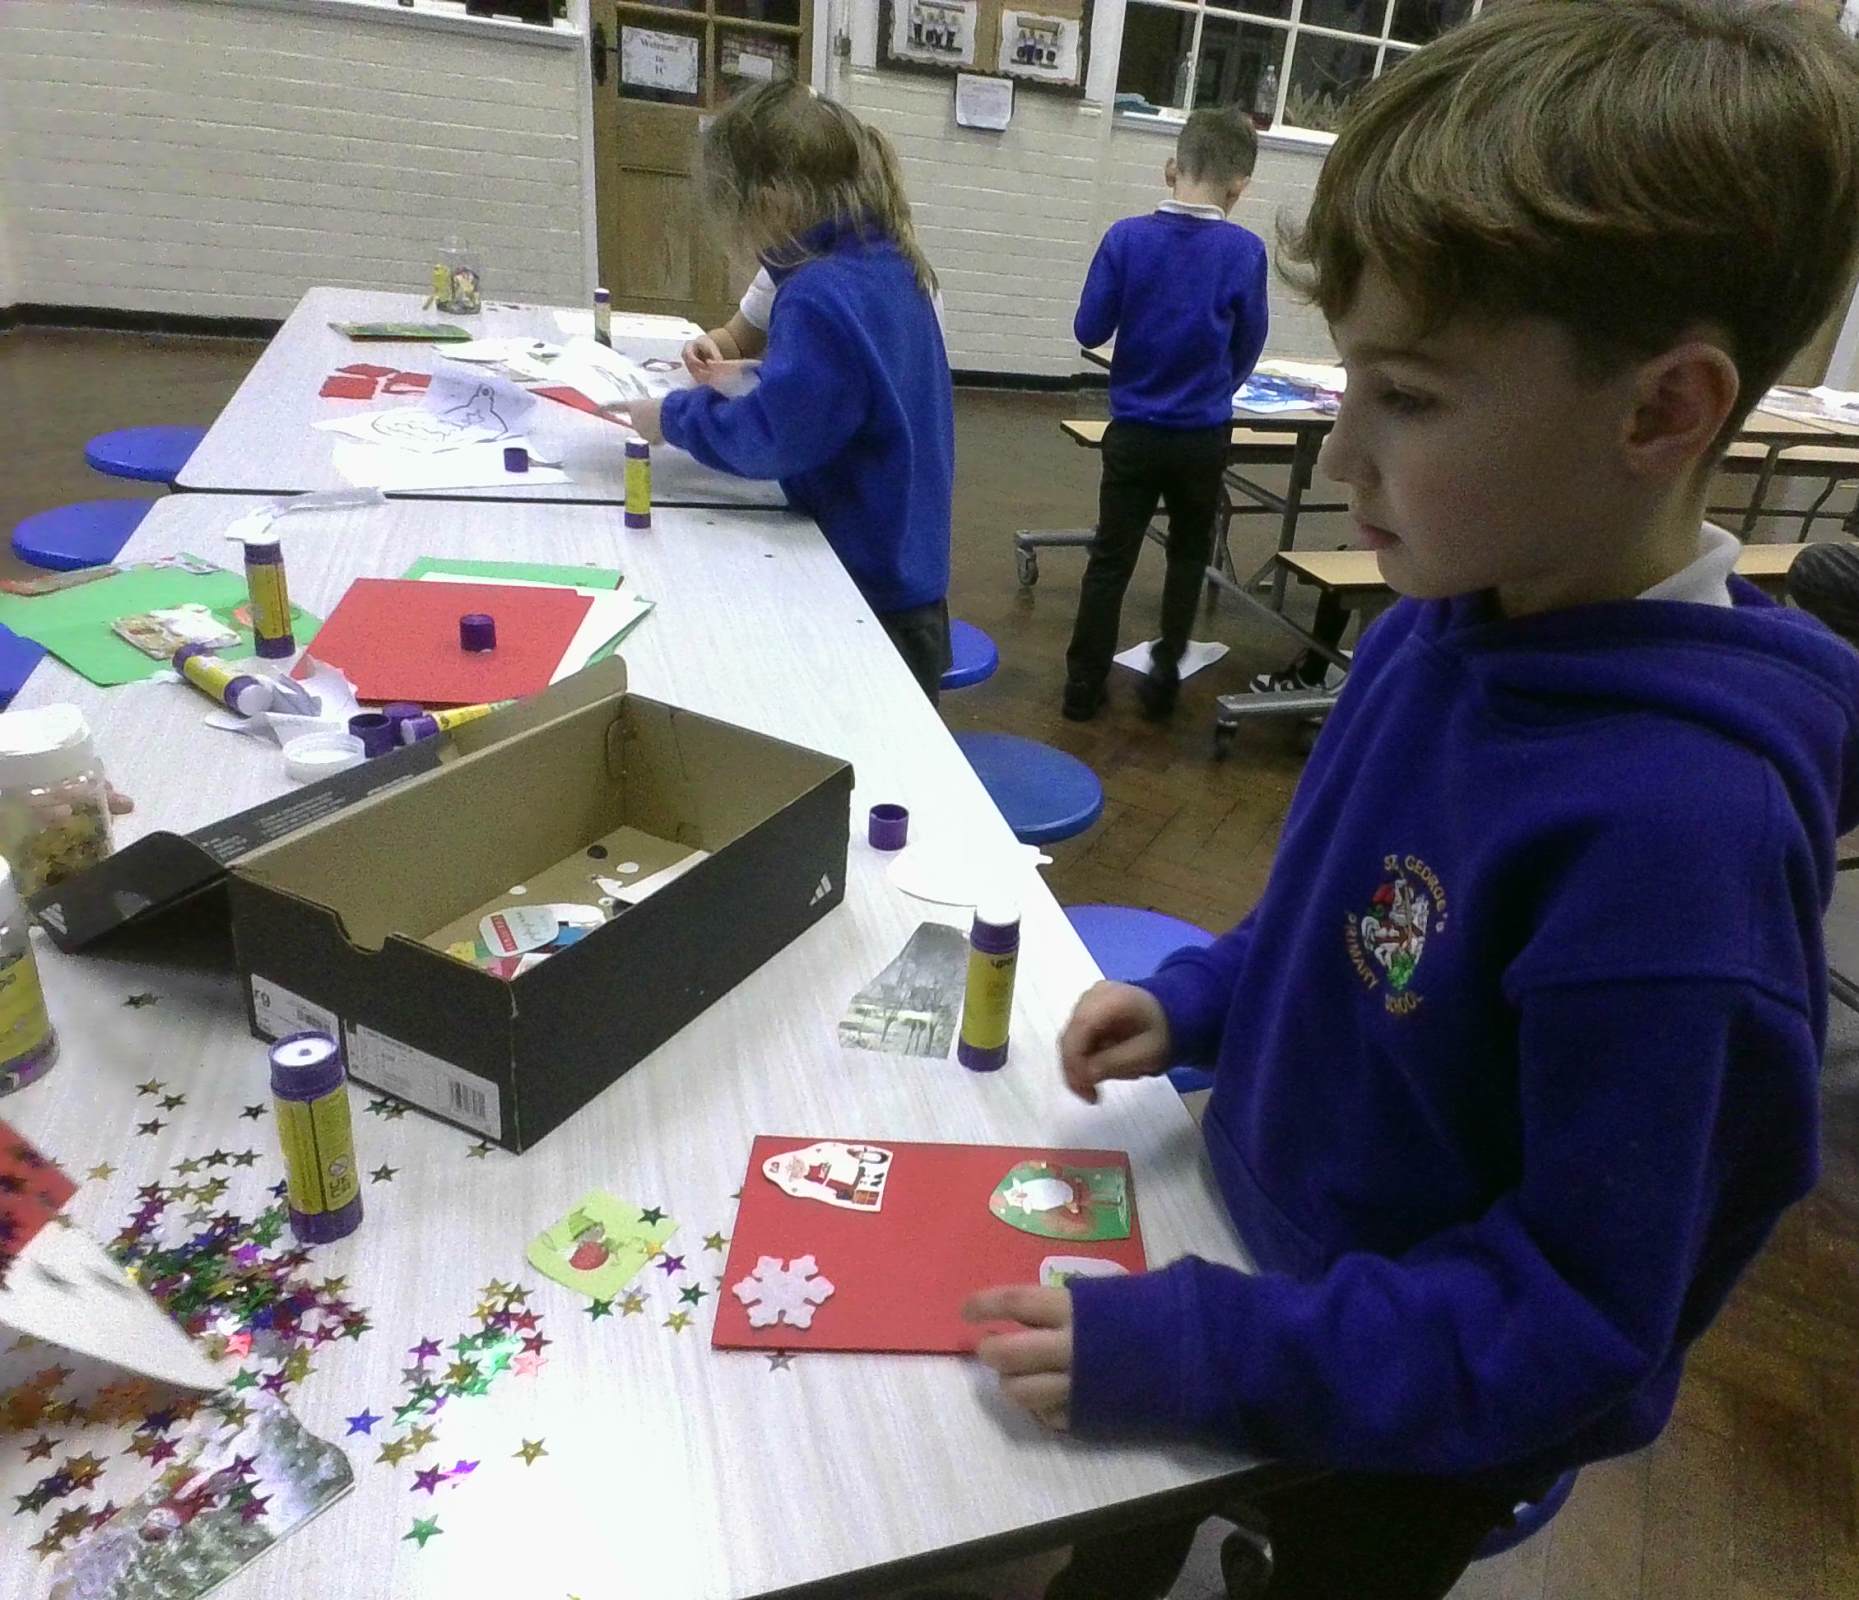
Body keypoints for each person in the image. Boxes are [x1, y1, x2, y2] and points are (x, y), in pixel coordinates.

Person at [962, 4, 1859, 1597]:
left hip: (1402, 1424)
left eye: (1411, 398)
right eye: (1347, 382)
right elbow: (1346, 923)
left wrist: (1213, 1350)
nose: (1339, 452)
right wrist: (1201, 1000)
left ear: (1659, 412)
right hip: (1238, 1251)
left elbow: (1573, 1316)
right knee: (1111, 1525)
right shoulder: (1434, 626)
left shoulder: (1680, 844)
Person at [624, 83, 955, 702]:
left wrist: (671, 417)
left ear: (771, 201)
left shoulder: (819, 292)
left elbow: (774, 439)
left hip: (866, 592)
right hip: (910, 578)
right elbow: (852, 397)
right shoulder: (888, 261)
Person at [1062, 106, 1269, 722]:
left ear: (1171, 168)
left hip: (1133, 432)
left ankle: (1083, 686)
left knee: (1111, 558)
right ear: (1239, 188)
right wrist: (1216, 387)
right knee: (1186, 555)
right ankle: (1163, 681)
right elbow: (1249, 343)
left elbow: (1088, 328)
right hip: (1202, 436)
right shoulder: (1246, 251)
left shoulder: (1126, 238)